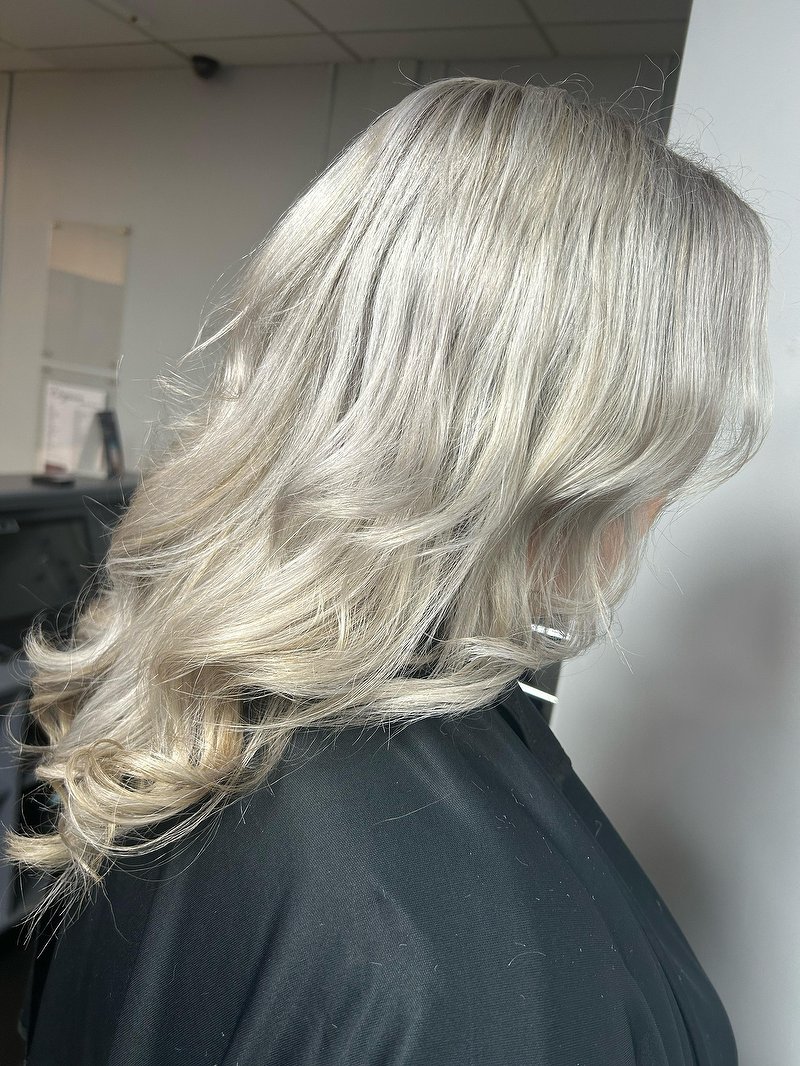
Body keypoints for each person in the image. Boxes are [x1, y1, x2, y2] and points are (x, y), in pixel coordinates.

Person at [6, 76, 772, 1065]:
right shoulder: (442, 966)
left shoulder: (182, 690)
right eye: (659, 452)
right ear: (562, 464)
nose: (660, 502)